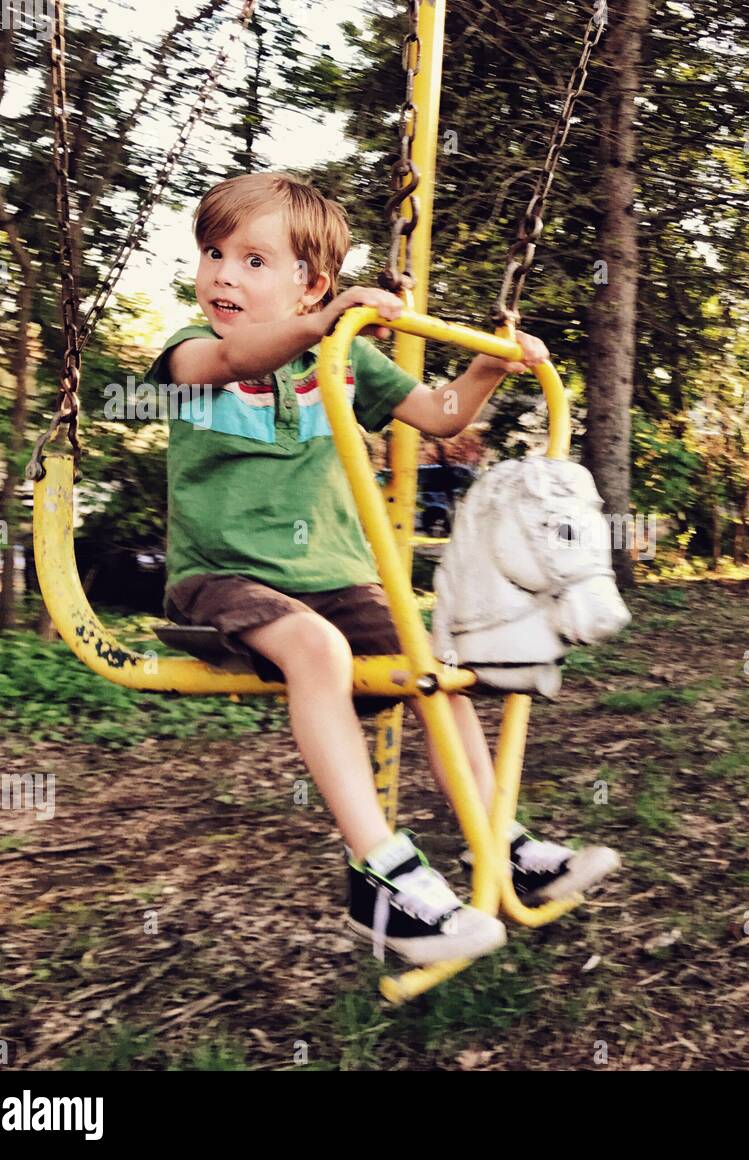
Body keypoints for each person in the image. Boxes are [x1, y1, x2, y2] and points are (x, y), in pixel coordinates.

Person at [146, 172, 619, 967]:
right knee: (319, 651)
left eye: (254, 261)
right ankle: (380, 871)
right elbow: (229, 358)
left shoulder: (345, 359)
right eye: (213, 253)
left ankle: (497, 840)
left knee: (435, 666)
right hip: (222, 577)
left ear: (311, 283)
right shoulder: (193, 354)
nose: (224, 274)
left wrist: (491, 369)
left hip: (336, 578)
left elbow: (440, 416)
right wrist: (324, 326)